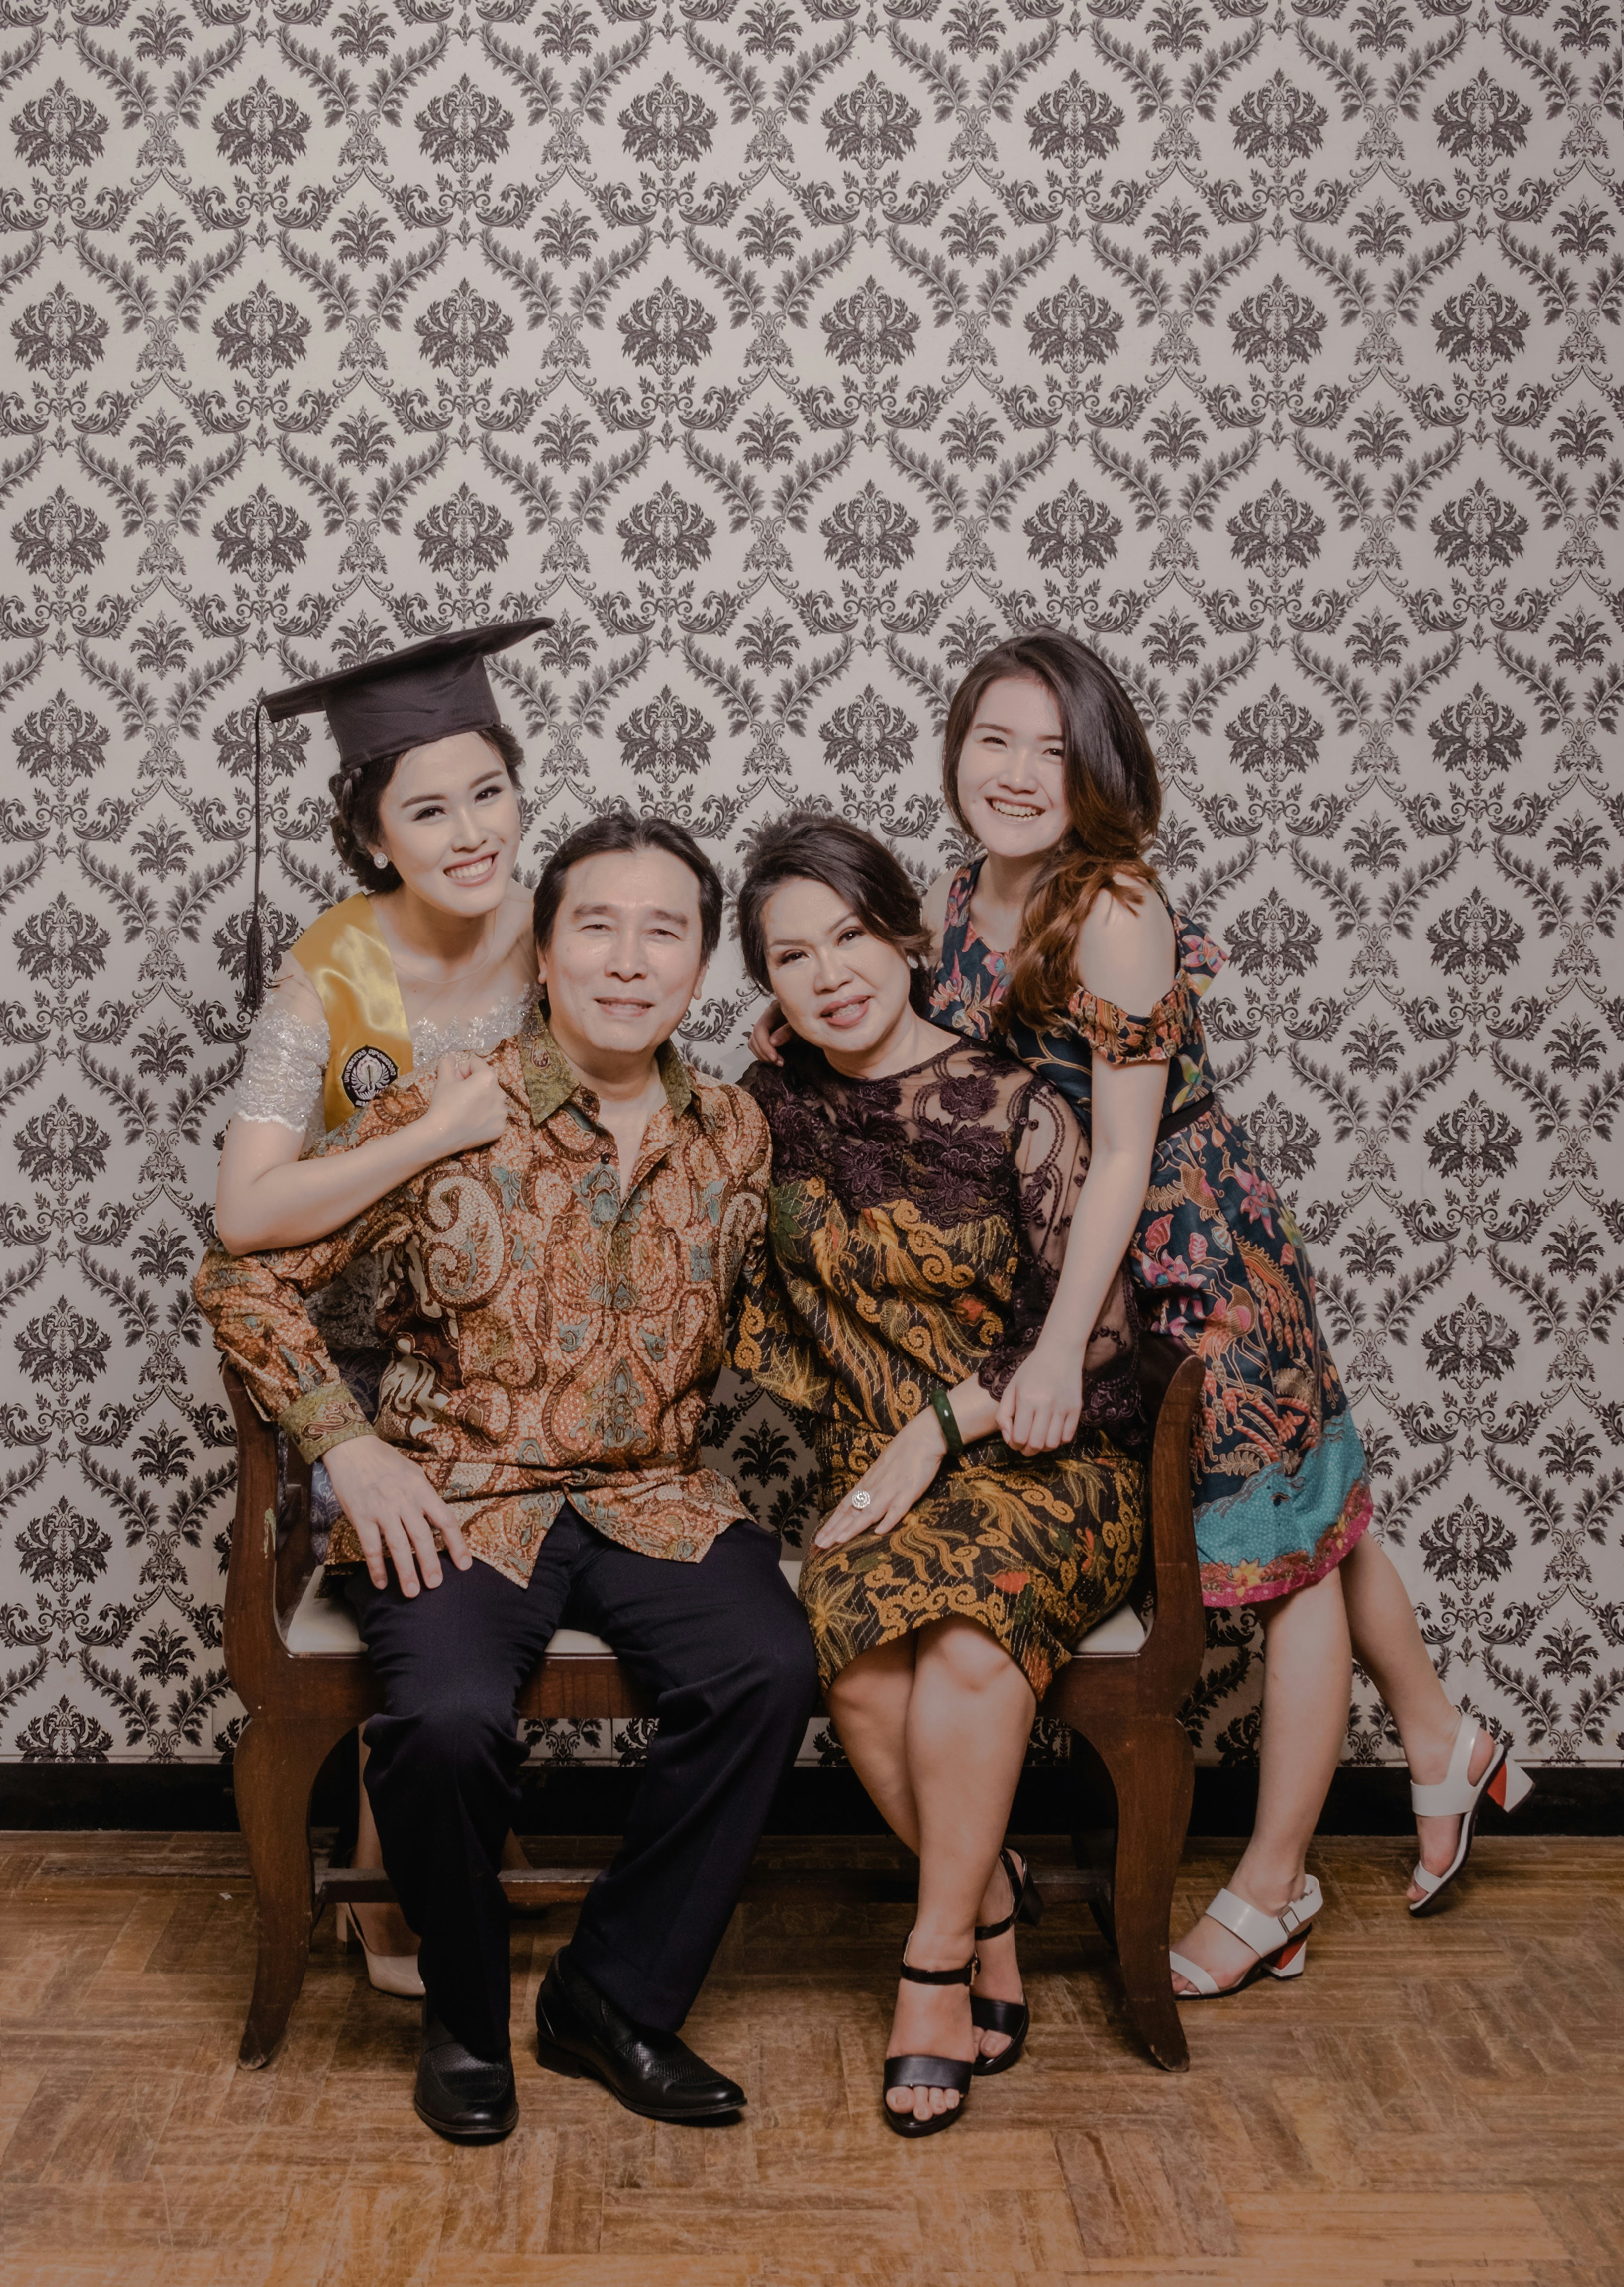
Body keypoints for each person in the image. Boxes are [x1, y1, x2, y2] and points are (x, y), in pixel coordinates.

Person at [754, 632, 1532, 1990]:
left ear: (1099, 770)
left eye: (1053, 750)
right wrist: (797, 1035)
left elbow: (1120, 1152)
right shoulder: (957, 893)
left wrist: (1061, 1347)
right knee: (1320, 1509)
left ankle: (1276, 1884)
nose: (1017, 773)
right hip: (1069, 1233)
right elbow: (922, 1033)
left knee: (1282, 1558)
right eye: (993, 740)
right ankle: (1440, 1738)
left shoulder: (1112, 908)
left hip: (1190, 1254)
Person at [196, 811, 818, 2141]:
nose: (629, 960)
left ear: (703, 965)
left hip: (656, 1493)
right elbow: (240, 1276)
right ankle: (467, 2021)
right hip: (463, 1496)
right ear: (543, 950)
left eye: (666, 932)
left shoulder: (737, 1132)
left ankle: (613, 1998)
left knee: (768, 1668)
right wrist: (348, 1445)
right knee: (445, 1722)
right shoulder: (445, 1107)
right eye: (598, 926)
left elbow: (820, 1302)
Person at [730, 813, 1146, 2137]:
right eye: (792, 957)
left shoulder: (1019, 1104)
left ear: (907, 939)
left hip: (1045, 1459)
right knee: (857, 1668)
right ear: (767, 987)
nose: (830, 974)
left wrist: (940, 1429)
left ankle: (931, 1965)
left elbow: (1104, 1338)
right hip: (869, 1469)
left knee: (966, 1641)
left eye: (850, 936)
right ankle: (994, 1902)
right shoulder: (763, 1108)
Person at [217, 618, 553, 1996]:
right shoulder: (332, 968)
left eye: (490, 792)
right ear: (371, 836)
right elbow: (247, 1217)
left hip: (533, 1347)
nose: (472, 833)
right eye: (428, 810)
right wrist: (430, 1134)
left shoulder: (567, 927)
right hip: (377, 1361)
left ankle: (449, 1836)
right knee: (423, 1553)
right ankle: (400, 1871)